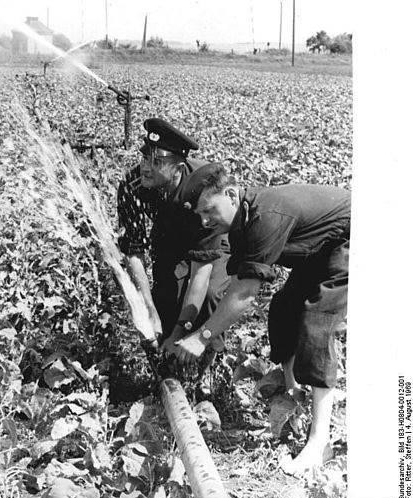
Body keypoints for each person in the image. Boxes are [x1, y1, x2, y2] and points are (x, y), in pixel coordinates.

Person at [173, 162, 351, 476]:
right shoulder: (239, 222)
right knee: (283, 309)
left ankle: (319, 441)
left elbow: (245, 294)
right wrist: (194, 329)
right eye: (199, 213)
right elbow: (233, 287)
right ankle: (293, 404)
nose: (203, 220)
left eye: (209, 210)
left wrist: (201, 338)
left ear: (230, 194)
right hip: (320, 249)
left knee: (315, 321)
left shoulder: (264, 217)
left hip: (353, 238)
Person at [117, 118, 230, 361]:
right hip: (170, 234)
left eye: (157, 162)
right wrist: (149, 308)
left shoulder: (204, 190)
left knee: (209, 296)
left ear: (178, 168)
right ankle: (169, 362)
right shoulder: (132, 186)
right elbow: (134, 251)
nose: (146, 167)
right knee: (166, 296)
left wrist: (183, 329)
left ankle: (210, 361)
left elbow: (201, 272)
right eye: (145, 157)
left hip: (212, 237)